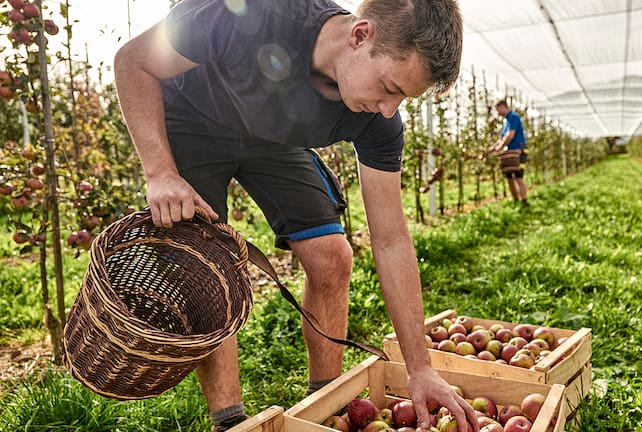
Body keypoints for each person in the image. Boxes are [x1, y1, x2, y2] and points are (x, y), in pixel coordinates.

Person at [112, 0, 478, 431]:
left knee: (332, 257)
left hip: (274, 140)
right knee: (206, 271)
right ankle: (230, 420)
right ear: (360, 35)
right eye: (390, 87)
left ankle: (325, 401)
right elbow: (132, 61)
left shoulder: (378, 121)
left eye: (402, 98)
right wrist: (160, 173)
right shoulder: (245, 13)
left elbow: (392, 238)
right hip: (195, 119)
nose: (389, 109)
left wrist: (420, 368)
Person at [488, 99, 529, 207]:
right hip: (510, 152)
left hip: (519, 150)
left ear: (503, 106)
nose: (498, 113)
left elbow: (510, 135)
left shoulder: (513, 117)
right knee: (510, 178)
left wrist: (500, 147)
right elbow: (501, 138)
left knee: (518, 177)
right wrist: (492, 148)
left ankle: (524, 202)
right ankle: (516, 201)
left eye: (498, 110)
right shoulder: (506, 121)